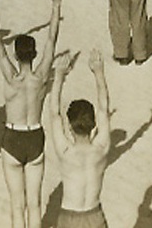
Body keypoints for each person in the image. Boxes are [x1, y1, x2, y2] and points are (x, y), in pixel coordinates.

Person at [0, 0, 64, 228]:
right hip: (35, 135)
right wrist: (56, 5)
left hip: (13, 136)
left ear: (16, 55)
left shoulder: (11, 78)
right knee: (35, 204)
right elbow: (52, 40)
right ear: (34, 54)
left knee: (17, 205)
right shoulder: (41, 77)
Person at [46, 50, 112, 228]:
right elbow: (104, 108)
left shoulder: (65, 151)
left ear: (69, 126)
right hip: (94, 215)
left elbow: (54, 114)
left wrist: (59, 76)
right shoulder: (101, 148)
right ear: (94, 124)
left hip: (69, 218)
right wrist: (99, 72)